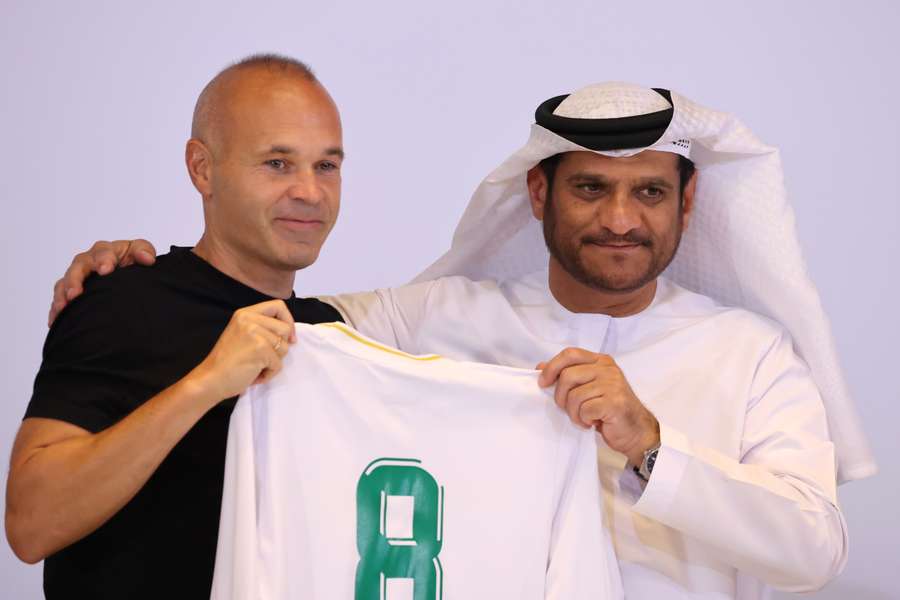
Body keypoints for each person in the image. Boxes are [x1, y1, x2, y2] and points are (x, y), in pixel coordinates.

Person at [48, 82, 876, 599]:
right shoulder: (438, 316)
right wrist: (136, 271)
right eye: (591, 188)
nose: (621, 219)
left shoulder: (752, 350)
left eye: (650, 193)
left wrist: (652, 447)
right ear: (539, 192)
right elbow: (249, 307)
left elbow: (814, 549)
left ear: (686, 208)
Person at [5, 54, 345, 599]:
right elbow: (30, 524)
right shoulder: (122, 300)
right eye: (278, 163)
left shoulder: (333, 334)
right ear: (202, 168)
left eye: (326, 165)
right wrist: (205, 383)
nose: (310, 191)